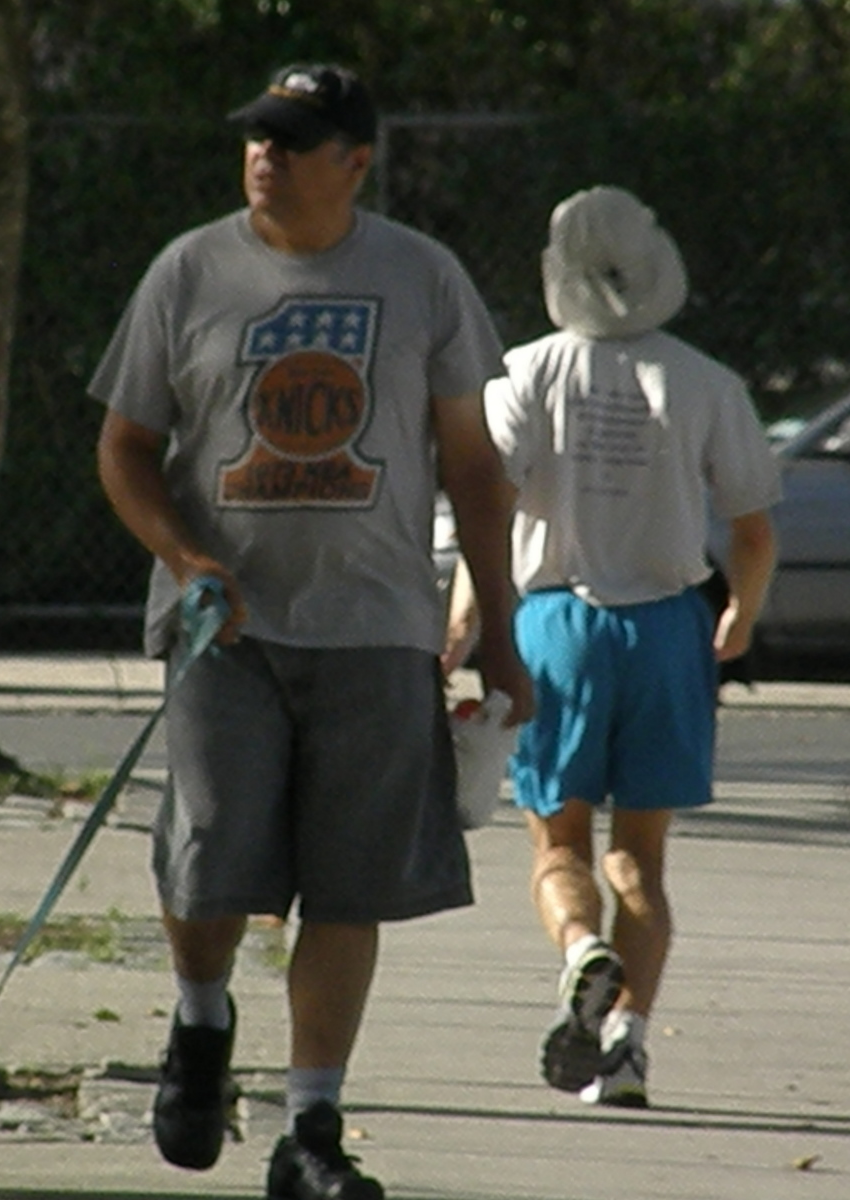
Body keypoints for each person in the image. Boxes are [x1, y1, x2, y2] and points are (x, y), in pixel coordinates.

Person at [92, 62, 532, 1200]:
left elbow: (474, 467)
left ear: (356, 161)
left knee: (349, 886)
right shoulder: (188, 271)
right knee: (208, 863)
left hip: (377, 626)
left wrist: (499, 625)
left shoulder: (422, 277)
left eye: (292, 140)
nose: (265, 155)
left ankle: (311, 1131)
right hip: (221, 631)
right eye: (258, 136)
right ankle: (201, 1022)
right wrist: (185, 557)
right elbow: (125, 448)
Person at [443, 185, 780, 1108]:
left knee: (558, 845)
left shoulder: (524, 373)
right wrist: (740, 615)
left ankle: (580, 949)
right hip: (668, 628)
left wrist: (463, 623)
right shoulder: (706, 383)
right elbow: (753, 530)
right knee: (641, 858)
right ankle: (627, 1045)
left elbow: (488, 509)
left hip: (556, 627)